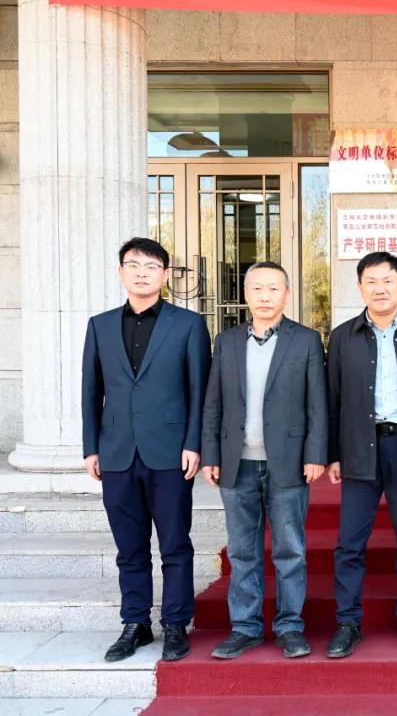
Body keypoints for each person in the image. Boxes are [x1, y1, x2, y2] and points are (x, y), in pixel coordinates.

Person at [81, 237, 210, 662]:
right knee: (129, 547)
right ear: (121, 272)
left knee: (175, 544)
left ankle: (175, 623)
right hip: (116, 451)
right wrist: (91, 447)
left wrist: (194, 443)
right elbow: (91, 391)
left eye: (151, 266)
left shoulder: (188, 324)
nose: (142, 273)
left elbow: (200, 390)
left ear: (165, 275)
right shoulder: (99, 326)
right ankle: (135, 623)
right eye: (133, 265)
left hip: (171, 452)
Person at [200, 261, 328, 660]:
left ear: (286, 294)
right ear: (246, 294)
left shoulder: (306, 340)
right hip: (236, 461)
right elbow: (213, 402)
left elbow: (318, 404)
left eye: (274, 288)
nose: (265, 296)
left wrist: (316, 454)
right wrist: (211, 454)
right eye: (257, 288)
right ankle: (245, 627)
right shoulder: (226, 341)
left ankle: (289, 626)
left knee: (290, 549)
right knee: (242, 551)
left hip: (287, 461)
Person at [325, 252, 397, 658]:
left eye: (388, 280)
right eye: (371, 281)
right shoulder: (342, 336)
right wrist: (333, 453)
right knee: (349, 544)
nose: (380, 288)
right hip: (359, 447)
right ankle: (348, 621)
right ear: (359, 288)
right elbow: (332, 399)